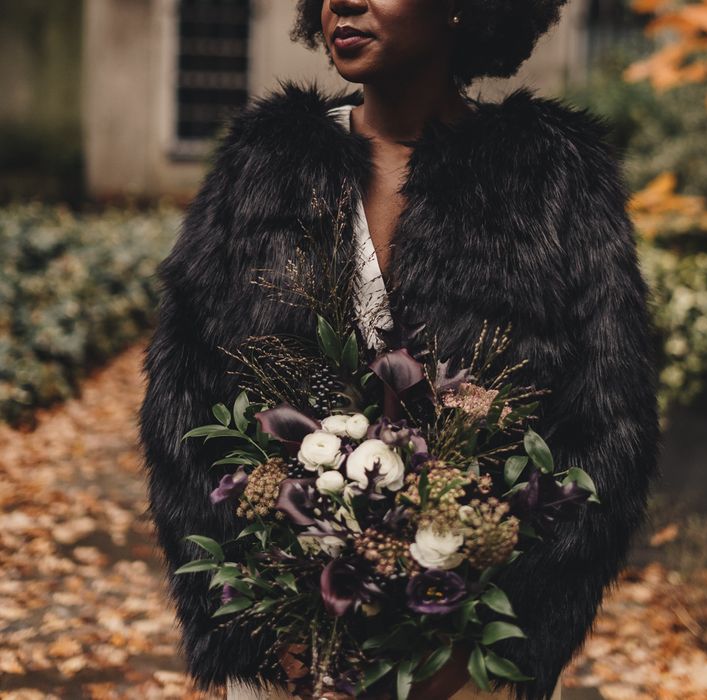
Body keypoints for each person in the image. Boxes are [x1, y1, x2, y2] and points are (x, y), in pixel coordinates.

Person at [138, 0, 661, 699]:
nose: (341, 3)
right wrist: (255, 627)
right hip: (289, 656)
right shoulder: (262, 167)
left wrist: (496, 637)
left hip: (471, 658)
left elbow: (608, 428)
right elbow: (184, 406)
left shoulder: (552, 179)